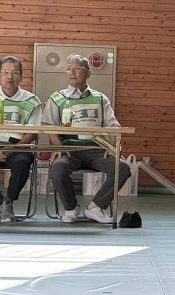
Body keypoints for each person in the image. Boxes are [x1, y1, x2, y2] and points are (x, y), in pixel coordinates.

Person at [43, 54, 130, 224]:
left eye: (77, 68)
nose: (71, 72)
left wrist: (111, 146)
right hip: (70, 148)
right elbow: (49, 126)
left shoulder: (100, 98)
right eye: (68, 69)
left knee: (123, 168)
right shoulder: (56, 98)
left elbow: (113, 126)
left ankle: (95, 207)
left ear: (88, 73)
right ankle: (71, 208)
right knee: (58, 169)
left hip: (96, 148)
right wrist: (58, 147)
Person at [0, 56, 42, 222]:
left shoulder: (32, 100)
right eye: (5, 72)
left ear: (21, 76)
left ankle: (8, 202)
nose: (10, 76)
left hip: (19, 146)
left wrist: (10, 150)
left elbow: (32, 132)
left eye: (15, 72)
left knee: (22, 162)